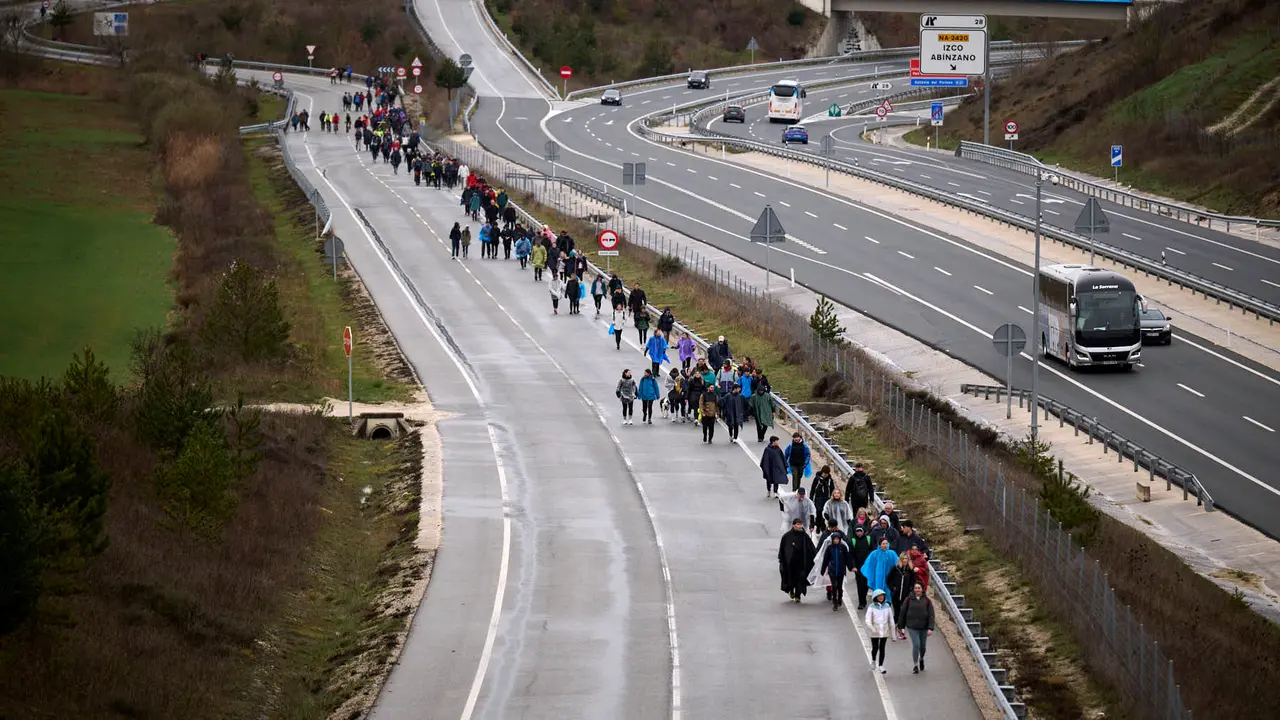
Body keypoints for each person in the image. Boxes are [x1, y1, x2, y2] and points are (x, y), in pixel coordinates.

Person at [899, 581, 935, 674]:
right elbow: (903, 613)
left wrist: (930, 628)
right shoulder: (908, 600)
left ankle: (921, 658)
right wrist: (901, 626)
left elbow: (931, 615)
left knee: (923, 647)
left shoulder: (927, 601)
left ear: (922, 589)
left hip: (924, 627)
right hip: (912, 626)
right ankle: (915, 665)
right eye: (916, 588)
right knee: (916, 645)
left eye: (919, 588)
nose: (917, 590)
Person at [778, 517, 816, 603]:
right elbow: (782, 548)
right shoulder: (787, 536)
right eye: (797, 524)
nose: (799, 526)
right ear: (793, 525)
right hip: (790, 563)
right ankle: (791, 590)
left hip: (801, 563)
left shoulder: (805, 536)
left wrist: (815, 556)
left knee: (800, 579)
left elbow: (811, 548)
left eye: (800, 524)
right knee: (791, 578)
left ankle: (798, 595)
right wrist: (781, 559)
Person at [821, 529, 855, 610]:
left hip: (841, 570)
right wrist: (822, 570)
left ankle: (840, 597)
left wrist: (851, 567)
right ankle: (835, 602)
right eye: (835, 539)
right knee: (834, 585)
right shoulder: (829, 548)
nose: (836, 540)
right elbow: (825, 559)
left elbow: (847, 559)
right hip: (832, 570)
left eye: (837, 539)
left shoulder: (843, 548)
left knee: (839, 586)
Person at [860, 537, 897, 608]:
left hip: (889, 578)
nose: (885, 545)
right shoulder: (874, 554)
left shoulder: (892, 553)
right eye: (883, 544)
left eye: (886, 543)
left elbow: (898, 563)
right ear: (880, 545)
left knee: (888, 592)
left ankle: (887, 607)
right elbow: (869, 565)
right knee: (878, 591)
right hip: (878, 578)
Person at [865, 589, 894, 674]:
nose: (881, 597)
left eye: (882, 596)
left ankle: (881, 665)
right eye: (879, 596)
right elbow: (867, 619)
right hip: (875, 630)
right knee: (875, 647)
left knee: (882, 647)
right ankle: (874, 660)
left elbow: (891, 620)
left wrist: (893, 634)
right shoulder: (871, 607)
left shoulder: (887, 607)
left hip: (884, 630)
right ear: (875, 597)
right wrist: (872, 628)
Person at [888, 552, 915, 639]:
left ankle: (901, 630)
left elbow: (913, 582)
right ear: (900, 559)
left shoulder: (910, 570)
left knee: (903, 614)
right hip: (896, 595)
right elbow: (888, 579)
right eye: (903, 559)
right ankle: (894, 628)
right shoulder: (896, 568)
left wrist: (910, 590)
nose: (905, 561)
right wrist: (893, 588)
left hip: (905, 596)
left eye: (906, 559)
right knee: (897, 613)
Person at [849, 525, 873, 609]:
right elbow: (851, 555)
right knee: (860, 585)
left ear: (863, 531)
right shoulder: (853, 540)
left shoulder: (868, 539)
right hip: (858, 567)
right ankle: (861, 602)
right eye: (857, 531)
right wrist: (853, 566)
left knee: (866, 584)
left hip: (868, 566)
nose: (859, 533)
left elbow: (872, 553)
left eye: (860, 531)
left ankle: (864, 598)